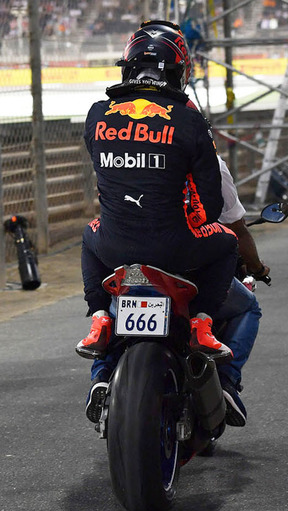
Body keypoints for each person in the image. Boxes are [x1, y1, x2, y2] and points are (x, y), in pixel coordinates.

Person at [76, 20, 238, 423]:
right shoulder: (189, 120)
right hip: (175, 249)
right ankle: (201, 324)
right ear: (178, 72)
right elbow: (213, 207)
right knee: (227, 244)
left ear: (127, 68)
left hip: (113, 245)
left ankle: (99, 318)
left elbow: (106, 179)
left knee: (87, 234)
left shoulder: (97, 115)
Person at [212, 155, 271, 427]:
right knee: (249, 307)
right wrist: (257, 268)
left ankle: (103, 373)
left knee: (110, 307)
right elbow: (236, 228)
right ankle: (226, 380)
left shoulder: (121, 155)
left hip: (130, 259)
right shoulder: (209, 162)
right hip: (187, 262)